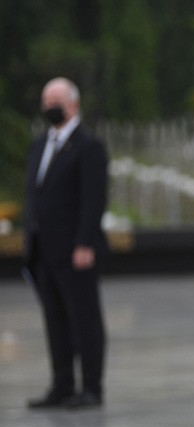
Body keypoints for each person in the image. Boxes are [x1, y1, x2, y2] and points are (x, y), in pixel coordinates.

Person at [23, 77, 109, 409]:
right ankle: (62, 384)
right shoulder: (40, 144)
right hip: (43, 249)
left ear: (73, 104)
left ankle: (91, 387)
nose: (49, 107)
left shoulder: (88, 146)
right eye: (45, 101)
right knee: (55, 319)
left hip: (75, 250)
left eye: (55, 101)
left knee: (84, 319)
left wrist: (85, 243)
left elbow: (93, 199)